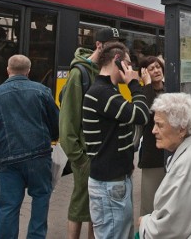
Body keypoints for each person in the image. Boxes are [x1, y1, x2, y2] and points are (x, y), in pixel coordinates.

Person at [0, 54, 59, 239]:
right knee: (41, 197)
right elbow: (56, 122)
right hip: (39, 156)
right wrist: (50, 139)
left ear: (7, 69)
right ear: (28, 71)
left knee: (8, 204)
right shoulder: (42, 92)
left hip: (6, 159)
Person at [82, 41, 150, 239]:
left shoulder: (107, 91)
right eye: (129, 64)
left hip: (115, 181)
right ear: (117, 61)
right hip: (109, 185)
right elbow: (141, 115)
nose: (132, 69)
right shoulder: (102, 93)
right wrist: (135, 85)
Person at [59, 26, 121, 239]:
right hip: (87, 155)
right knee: (80, 204)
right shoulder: (80, 73)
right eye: (110, 46)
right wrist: (79, 159)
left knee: (97, 208)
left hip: (103, 152)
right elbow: (68, 121)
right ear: (98, 45)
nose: (115, 51)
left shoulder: (110, 69)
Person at [138, 93, 191, 238]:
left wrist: (144, 223)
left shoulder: (186, 166)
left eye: (159, 125)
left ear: (181, 129)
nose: (153, 130)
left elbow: (168, 227)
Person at [137, 55, 166, 218]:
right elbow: (145, 115)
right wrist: (147, 84)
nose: (156, 71)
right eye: (151, 68)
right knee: (149, 205)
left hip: (171, 154)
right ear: (144, 73)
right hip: (152, 156)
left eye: (158, 67)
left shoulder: (170, 89)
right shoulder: (143, 94)